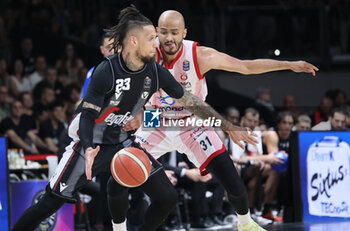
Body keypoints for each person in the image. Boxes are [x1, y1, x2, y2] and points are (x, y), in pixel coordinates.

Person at [12, 6, 256, 231]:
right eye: (152, 38)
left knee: (168, 197)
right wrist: (87, 147)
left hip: (122, 144)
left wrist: (226, 125)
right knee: (49, 203)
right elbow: (86, 115)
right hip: (89, 144)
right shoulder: (105, 70)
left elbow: (191, 101)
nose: (157, 42)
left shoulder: (155, 71)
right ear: (133, 41)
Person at [134, 10, 318, 231]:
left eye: (175, 32)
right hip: (156, 117)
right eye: (164, 32)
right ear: (156, 32)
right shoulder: (145, 52)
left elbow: (246, 66)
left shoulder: (199, 55)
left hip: (193, 120)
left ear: (184, 33)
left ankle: (245, 224)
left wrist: (288, 64)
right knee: (121, 171)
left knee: (234, 183)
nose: (169, 38)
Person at [81, 31, 115, 98]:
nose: (112, 51)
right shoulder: (93, 73)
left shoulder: (128, 71)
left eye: (115, 47)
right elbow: (84, 100)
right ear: (102, 49)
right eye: (108, 47)